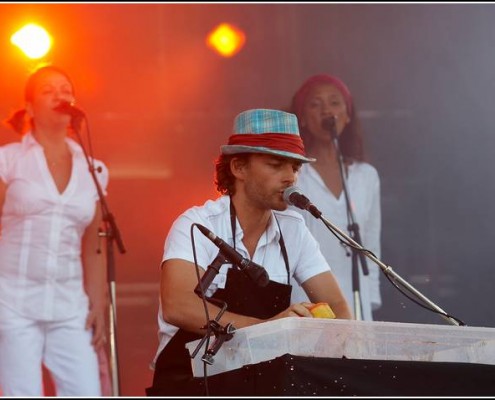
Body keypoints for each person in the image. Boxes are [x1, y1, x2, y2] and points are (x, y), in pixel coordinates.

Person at [147, 108, 352, 396]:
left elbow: (339, 309)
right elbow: (177, 306)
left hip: (260, 384)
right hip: (190, 383)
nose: (290, 177)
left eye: (295, 167)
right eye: (276, 164)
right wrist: (268, 330)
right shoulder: (196, 224)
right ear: (238, 168)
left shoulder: (294, 229)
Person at [0, 65, 109, 396]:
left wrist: (98, 303)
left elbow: (94, 245)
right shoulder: (8, 161)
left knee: (87, 392)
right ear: (30, 108)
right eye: (48, 90)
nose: (59, 95)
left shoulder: (94, 169)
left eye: (65, 89)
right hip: (11, 300)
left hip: (69, 304)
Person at [288, 73, 382, 321]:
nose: (326, 110)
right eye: (315, 104)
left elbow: (371, 242)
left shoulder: (366, 176)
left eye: (334, 102)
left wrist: (370, 296)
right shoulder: (293, 173)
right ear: (304, 118)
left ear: (348, 115)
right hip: (306, 295)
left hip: (356, 294)